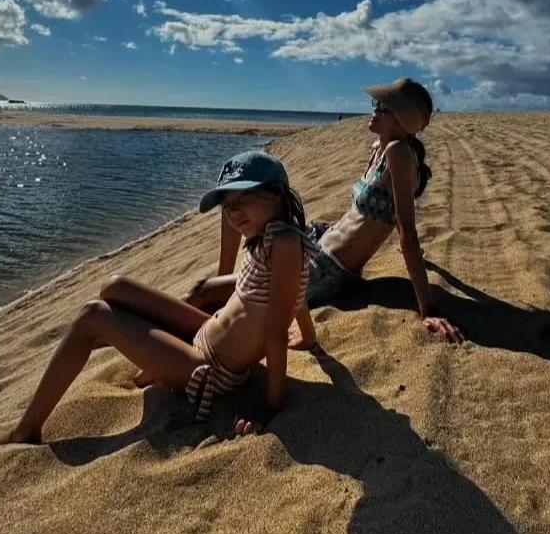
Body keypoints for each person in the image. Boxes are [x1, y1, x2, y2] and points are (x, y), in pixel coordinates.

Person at [0, 151, 317, 444]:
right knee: (114, 287)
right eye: (228, 205)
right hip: (205, 334)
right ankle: (132, 343)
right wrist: (308, 334)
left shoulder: (285, 243)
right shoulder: (272, 235)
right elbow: (292, 294)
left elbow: (276, 329)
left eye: (243, 198)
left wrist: (271, 406)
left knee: (92, 315)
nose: (234, 213)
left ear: (277, 193)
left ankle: (27, 430)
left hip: (210, 369)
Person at [187, 78, 464, 347]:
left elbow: (407, 232)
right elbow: (371, 218)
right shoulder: (380, 149)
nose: (374, 111)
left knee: (203, 290)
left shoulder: (399, 153)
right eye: (375, 104)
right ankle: (223, 280)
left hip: (327, 269)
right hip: (319, 236)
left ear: (404, 120)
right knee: (232, 200)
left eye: (384, 108)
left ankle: (182, 326)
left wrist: (426, 309)